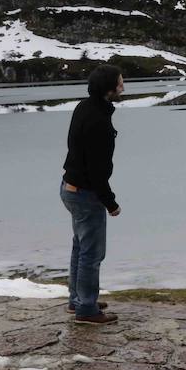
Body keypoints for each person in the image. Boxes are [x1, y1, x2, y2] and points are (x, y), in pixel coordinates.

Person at [60, 64, 124, 325]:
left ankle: (78, 300)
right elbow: (97, 171)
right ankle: (87, 309)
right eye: (120, 83)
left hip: (69, 188)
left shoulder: (84, 107)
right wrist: (111, 203)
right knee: (92, 253)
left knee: (80, 246)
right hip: (86, 194)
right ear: (109, 89)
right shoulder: (99, 122)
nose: (123, 87)